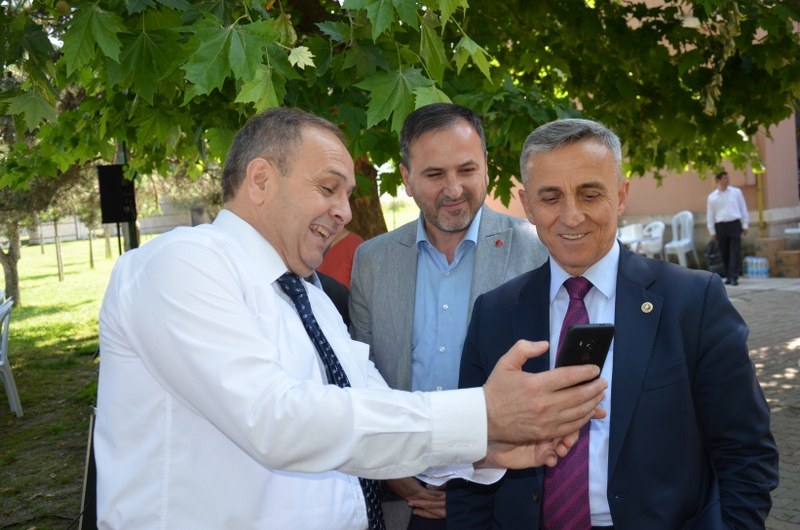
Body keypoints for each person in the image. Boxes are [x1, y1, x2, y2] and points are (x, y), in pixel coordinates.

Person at [93, 107, 609, 529]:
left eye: (345, 194)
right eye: (328, 188)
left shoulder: (311, 297)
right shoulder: (181, 263)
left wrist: (489, 449)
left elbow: (376, 412)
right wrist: (483, 415)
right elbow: (276, 421)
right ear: (261, 180)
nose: (344, 211)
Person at [448, 118, 779, 529]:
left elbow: (746, 452)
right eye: (551, 197)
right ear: (527, 204)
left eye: (590, 194)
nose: (572, 216)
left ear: (621, 196)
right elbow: (468, 463)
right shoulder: (493, 314)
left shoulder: (693, 303)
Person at [350, 102, 548, 529]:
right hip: (404, 498)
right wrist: (392, 470)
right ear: (406, 179)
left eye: (467, 169)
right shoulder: (372, 261)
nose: (454, 189)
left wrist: (470, 486)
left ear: (486, 167)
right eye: (435, 174)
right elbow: (359, 377)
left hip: (502, 499)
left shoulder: (538, 251)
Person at [707, 171, 749, 285]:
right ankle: (728, 276)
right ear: (718, 180)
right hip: (721, 226)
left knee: (735, 251)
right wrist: (712, 230)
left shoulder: (736, 192)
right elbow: (710, 214)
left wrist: (745, 224)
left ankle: (734, 276)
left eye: (727, 177)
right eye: (724, 178)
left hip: (734, 223)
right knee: (724, 252)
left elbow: (743, 207)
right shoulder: (712, 197)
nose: (727, 180)